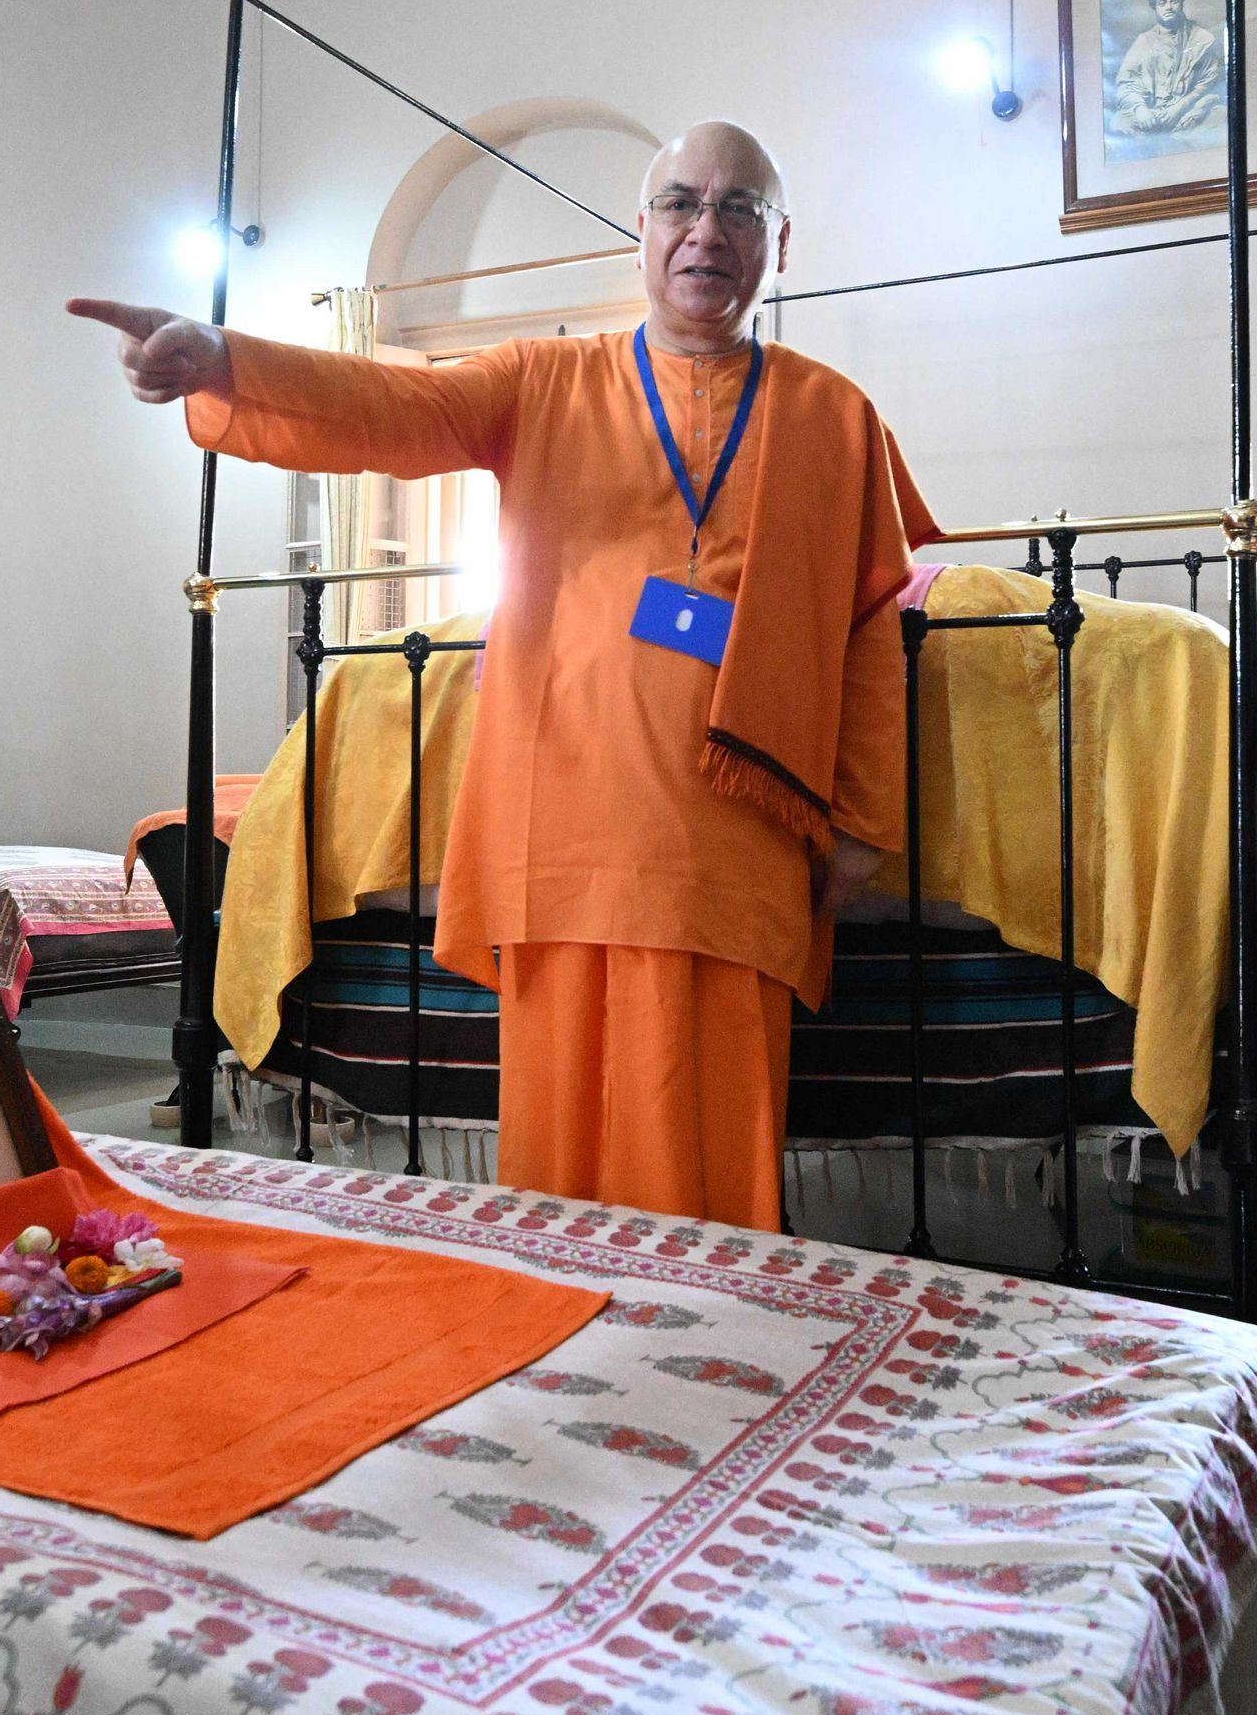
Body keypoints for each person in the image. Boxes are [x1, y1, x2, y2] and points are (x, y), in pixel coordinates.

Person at [72, 122, 934, 1232]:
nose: (705, 231)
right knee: (561, 1151)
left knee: (709, 1137)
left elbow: (871, 629)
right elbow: (388, 406)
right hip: (564, 814)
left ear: (780, 240)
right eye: (681, 203)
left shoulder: (834, 415)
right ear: (640, 230)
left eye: (737, 208)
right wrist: (225, 362)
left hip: (735, 833)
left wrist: (861, 818)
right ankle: (562, 1310)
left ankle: (716, 1321)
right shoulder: (546, 378)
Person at [1109, 0, 1224, 150]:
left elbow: (1208, 83)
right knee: (1118, 123)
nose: (1169, 7)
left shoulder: (1202, 39)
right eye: (1162, 3)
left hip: (1189, 109)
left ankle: (1173, 144)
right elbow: (1127, 83)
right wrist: (1141, 109)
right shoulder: (1143, 42)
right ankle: (1158, 148)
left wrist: (1179, 108)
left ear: (1182, 2)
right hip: (1153, 114)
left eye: (1174, 1)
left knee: (1222, 116)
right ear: (1154, 7)